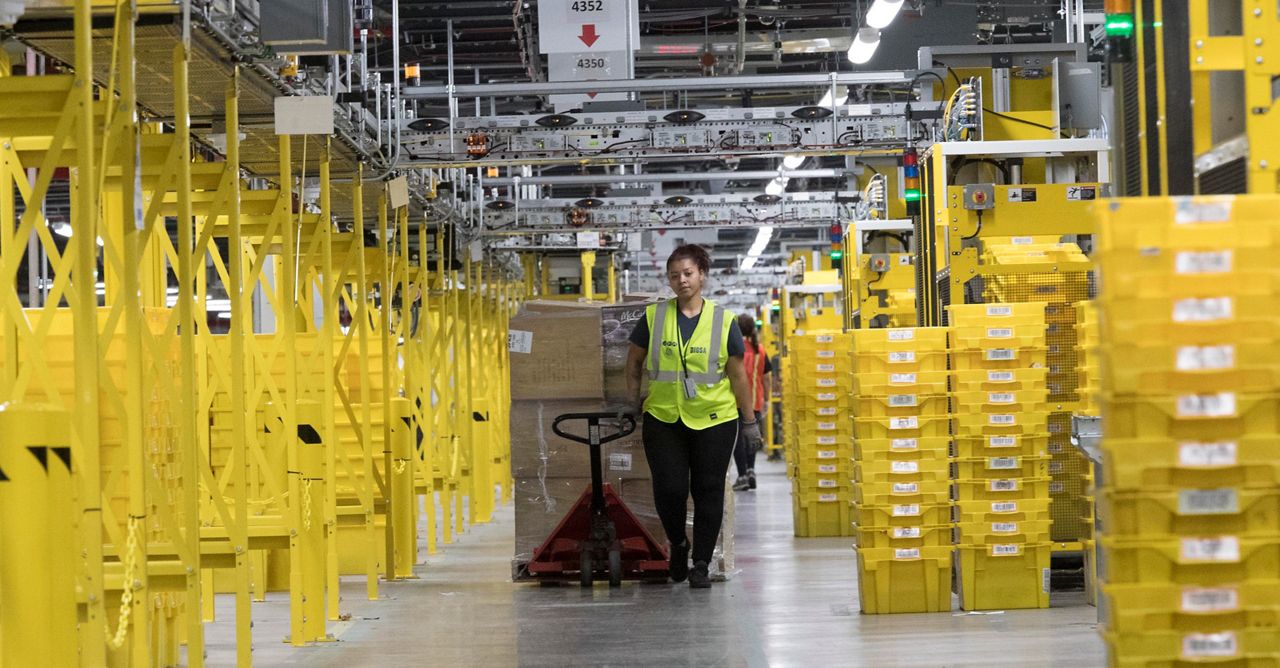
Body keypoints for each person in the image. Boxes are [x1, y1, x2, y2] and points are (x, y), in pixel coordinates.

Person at [624, 244, 764, 588]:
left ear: (702, 275)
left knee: (708, 489)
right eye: (674, 275)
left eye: (688, 273)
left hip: (714, 419)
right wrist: (630, 404)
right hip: (663, 417)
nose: (681, 280)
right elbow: (633, 362)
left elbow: (738, 376)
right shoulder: (655, 317)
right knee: (670, 489)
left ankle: (700, 562)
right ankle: (678, 544)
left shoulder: (723, 320)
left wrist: (749, 421)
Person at [731, 314, 773, 491]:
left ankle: (741, 476)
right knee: (751, 438)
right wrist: (767, 400)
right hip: (755, 400)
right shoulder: (760, 350)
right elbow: (767, 378)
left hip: (735, 401)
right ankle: (751, 470)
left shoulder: (733, 348)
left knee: (737, 440)